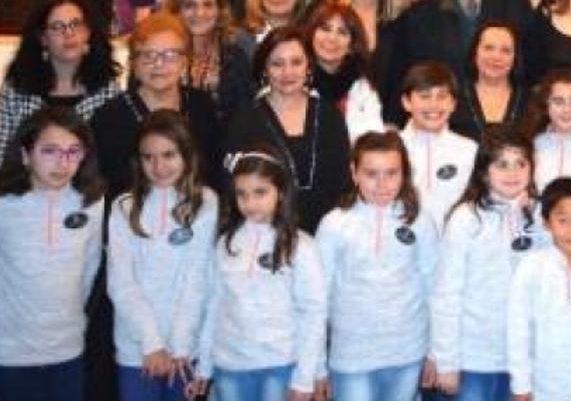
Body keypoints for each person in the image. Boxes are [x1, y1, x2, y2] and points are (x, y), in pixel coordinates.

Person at [188, 144, 328, 401]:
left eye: (260, 192)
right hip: (229, 365)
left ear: (281, 192)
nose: (250, 203)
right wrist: (204, 366)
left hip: (280, 365)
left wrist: (308, 376)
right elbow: (214, 305)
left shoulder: (301, 247)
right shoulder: (225, 244)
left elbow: (313, 315)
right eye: (242, 194)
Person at [316, 131, 439, 401]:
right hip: (351, 355)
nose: (382, 184)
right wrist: (316, 364)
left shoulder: (420, 221)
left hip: (407, 351)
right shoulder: (334, 224)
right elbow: (317, 299)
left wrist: (436, 352)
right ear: (354, 172)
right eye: (371, 173)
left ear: (404, 173)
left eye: (392, 173)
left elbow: (434, 289)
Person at [107, 111, 218, 401]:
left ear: (187, 155)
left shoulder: (205, 202)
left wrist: (180, 345)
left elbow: (199, 279)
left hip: (186, 350)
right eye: (148, 157)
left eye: (169, 155)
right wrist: (152, 344)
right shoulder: (123, 206)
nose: (159, 166)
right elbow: (121, 282)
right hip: (137, 349)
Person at [0, 107, 105, 401]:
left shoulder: (91, 201)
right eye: (50, 151)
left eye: (74, 151)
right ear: (25, 154)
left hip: (68, 349)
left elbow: (89, 270)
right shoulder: (5, 204)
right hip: (10, 354)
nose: (63, 162)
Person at [431, 131, 544, 401]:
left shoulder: (542, 215)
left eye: (521, 163)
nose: (512, 172)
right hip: (473, 358)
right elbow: (447, 294)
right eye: (501, 164)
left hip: (526, 358)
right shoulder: (466, 218)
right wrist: (446, 361)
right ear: (483, 171)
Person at [386, 0, 534, 122]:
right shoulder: (420, 12)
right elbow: (402, 75)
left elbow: (529, 70)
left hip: (502, 122)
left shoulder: (517, 4)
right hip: (438, 124)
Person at [223, 27, 352, 232]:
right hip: (265, 233)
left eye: (296, 62)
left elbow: (344, 182)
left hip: (328, 234)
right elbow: (235, 188)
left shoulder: (329, 115)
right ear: (264, 69)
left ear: (308, 66)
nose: (287, 72)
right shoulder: (245, 120)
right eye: (277, 64)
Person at [90, 13, 223, 199]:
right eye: (147, 55)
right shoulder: (109, 117)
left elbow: (215, 174)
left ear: (185, 62)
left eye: (170, 55)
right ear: (133, 63)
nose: (158, 64)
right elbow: (105, 184)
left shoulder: (202, 106)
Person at [508, 176, 571, 401]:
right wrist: (521, 385)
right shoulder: (531, 268)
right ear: (546, 223)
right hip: (543, 389)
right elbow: (519, 331)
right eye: (562, 220)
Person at [0, 0, 120, 163]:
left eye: (76, 24)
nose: (68, 33)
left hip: (90, 185)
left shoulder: (107, 89)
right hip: (26, 184)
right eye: (57, 27)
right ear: (43, 38)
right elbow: (2, 151)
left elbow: (112, 152)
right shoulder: (17, 89)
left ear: (88, 33)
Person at [161, 0, 254, 122]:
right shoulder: (160, 54)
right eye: (190, 5)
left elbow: (244, 116)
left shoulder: (235, 56)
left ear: (219, 10)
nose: (200, 13)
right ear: (175, 11)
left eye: (208, 5)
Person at [397, 61, 478, 235]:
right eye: (424, 96)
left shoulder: (469, 150)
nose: (433, 105)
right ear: (406, 102)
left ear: (453, 103)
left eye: (442, 96)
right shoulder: (390, 148)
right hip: (402, 250)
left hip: (453, 248)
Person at [305, 0, 386, 145]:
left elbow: (374, 141)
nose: (332, 38)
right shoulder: (293, 82)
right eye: (325, 29)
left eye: (342, 32)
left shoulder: (362, 88)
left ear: (351, 46)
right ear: (311, 35)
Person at [449, 22, 530, 143]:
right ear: (475, 53)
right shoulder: (452, 98)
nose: (496, 56)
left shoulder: (531, 101)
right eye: (488, 48)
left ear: (515, 57)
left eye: (506, 50)